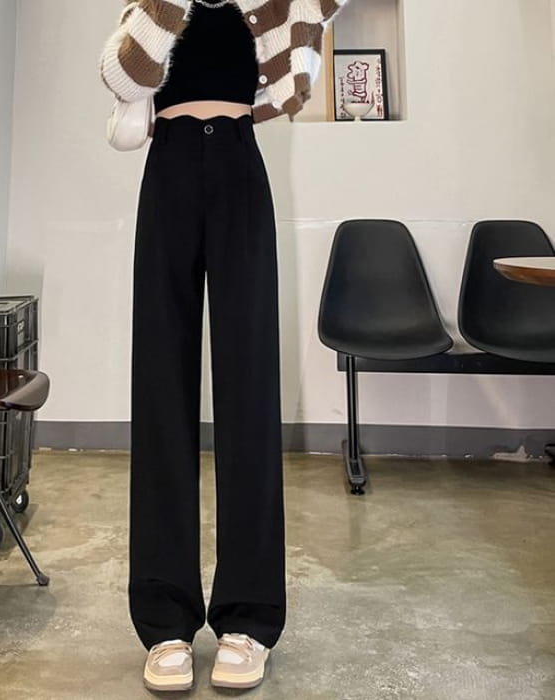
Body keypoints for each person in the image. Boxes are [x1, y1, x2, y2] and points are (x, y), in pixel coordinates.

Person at [99, 0, 348, 691]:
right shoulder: (151, 5)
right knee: (160, 386)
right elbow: (121, 77)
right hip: (169, 167)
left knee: (250, 389)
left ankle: (248, 616)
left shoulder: (267, 6)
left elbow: (295, 84)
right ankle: (165, 620)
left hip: (239, 164)